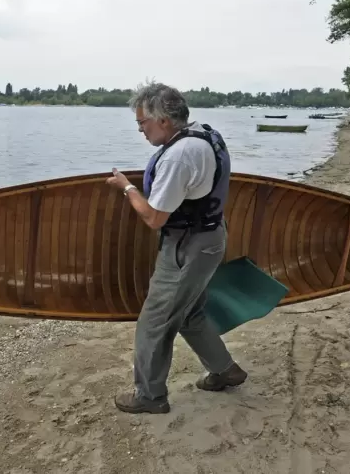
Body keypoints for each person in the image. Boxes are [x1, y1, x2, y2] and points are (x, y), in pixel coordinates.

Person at [105, 82, 247, 414]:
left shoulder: (180, 155)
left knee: (154, 322)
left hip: (188, 247)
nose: (140, 129)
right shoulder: (205, 134)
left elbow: (154, 218)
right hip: (211, 239)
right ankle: (225, 370)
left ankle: (149, 396)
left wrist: (126, 188)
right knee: (190, 313)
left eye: (143, 123)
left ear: (164, 121)